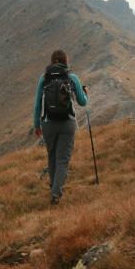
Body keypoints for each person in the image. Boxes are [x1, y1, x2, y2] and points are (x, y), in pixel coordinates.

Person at [33, 50, 88, 204]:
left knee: (52, 156)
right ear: (65, 61)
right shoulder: (72, 77)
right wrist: (85, 93)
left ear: (51, 61)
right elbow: (82, 102)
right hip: (67, 122)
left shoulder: (43, 78)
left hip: (48, 123)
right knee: (62, 159)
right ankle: (56, 193)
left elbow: (37, 104)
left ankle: (54, 187)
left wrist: (37, 125)